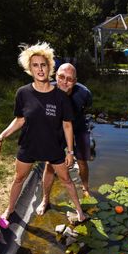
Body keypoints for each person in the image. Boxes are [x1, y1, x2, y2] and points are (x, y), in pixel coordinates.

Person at [0, 42, 86, 223]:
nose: (40, 69)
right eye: (35, 65)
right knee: (18, 178)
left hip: (53, 146)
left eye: (43, 64)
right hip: (29, 145)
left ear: (49, 67)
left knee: (66, 179)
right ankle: (9, 210)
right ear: (29, 68)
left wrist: (70, 152)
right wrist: (2, 135)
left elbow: (67, 125)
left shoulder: (60, 97)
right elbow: (20, 119)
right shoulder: (23, 93)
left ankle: (80, 211)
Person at [37, 63, 93, 215]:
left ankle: (85, 188)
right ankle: (45, 199)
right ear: (56, 76)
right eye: (61, 77)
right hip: (57, 130)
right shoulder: (46, 91)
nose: (64, 82)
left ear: (75, 81)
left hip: (79, 128)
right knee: (49, 164)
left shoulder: (84, 93)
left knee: (82, 161)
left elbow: (86, 108)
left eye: (69, 79)